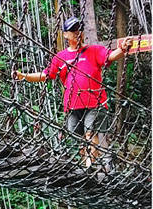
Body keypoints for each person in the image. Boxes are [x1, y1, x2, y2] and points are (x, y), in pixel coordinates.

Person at [14, 18, 135, 166]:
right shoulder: (61, 57)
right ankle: (87, 165)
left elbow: (110, 56)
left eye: (79, 29)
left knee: (90, 132)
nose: (77, 33)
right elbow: (46, 75)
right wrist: (24, 76)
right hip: (73, 105)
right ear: (65, 35)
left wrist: (122, 49)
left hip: (94, 102)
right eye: (73, 30)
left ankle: (91, 167)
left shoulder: (94, 50)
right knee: (77, 137)